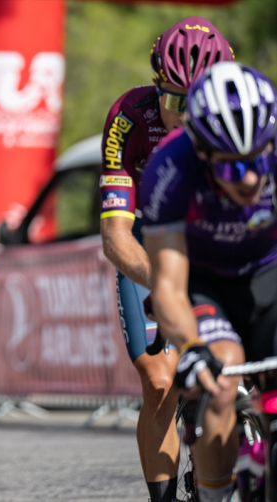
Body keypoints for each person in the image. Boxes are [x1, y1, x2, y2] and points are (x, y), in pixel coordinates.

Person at [98, 17, 233, 502]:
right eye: (173, 99)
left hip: (216, 239)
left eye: (197, 100)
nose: (184, 114)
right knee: (159, 381)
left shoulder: (248, 111)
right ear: (156, 86)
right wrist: (167, 283)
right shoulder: (131, 116)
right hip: (148, 243)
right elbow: (116, 234)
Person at [141, 61, 277, 502]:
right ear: (202, 152)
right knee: (219, 378)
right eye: (234, 169)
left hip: (268, 274)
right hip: (206, 282)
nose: (252, 179)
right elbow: (168, 286)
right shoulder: (170, 170)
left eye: (257, 161)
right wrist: (192, 350)